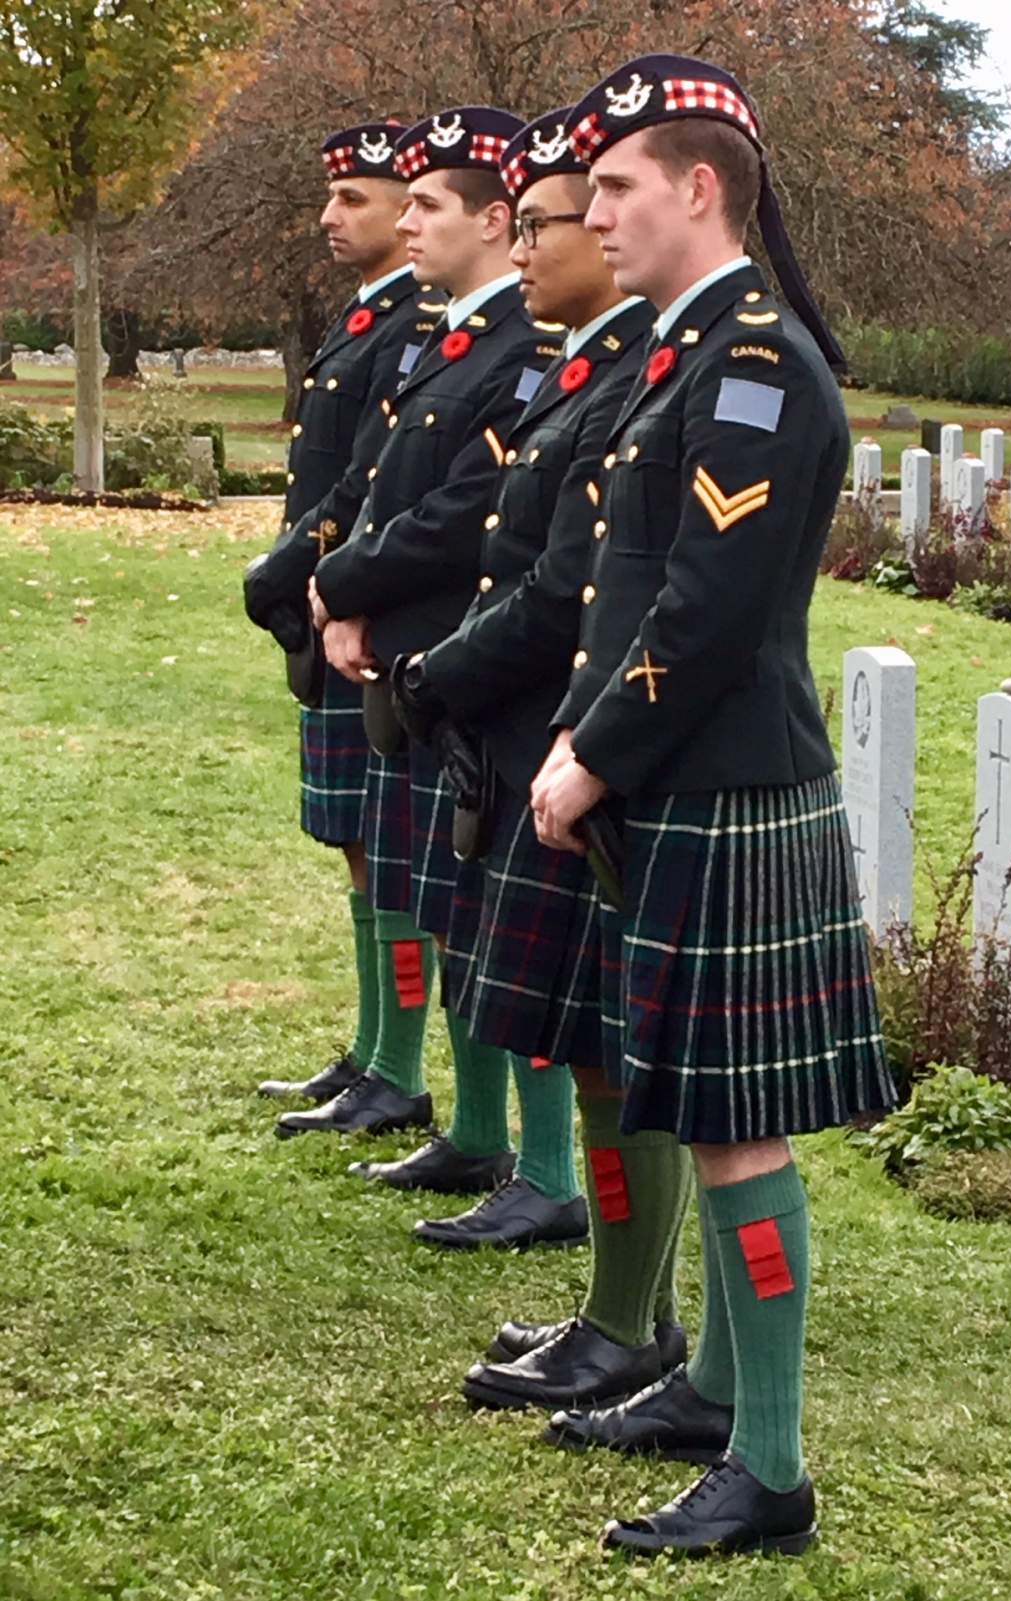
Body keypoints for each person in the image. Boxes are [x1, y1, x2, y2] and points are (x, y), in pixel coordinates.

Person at [527, 57, 897, 1558]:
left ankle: (774, 1470)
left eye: (615, 187)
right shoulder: (692, 355)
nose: (591, 212)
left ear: (700, 187)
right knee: (715, 1109)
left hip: (722, 780)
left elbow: (710, 609)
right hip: (691, 788)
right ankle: (721, 1412)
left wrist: (592, 752)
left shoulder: (755, 360)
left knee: (744, 1135)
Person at [392, 109, 667, 1272]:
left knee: (584, 1018)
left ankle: (568, 1212)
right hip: (518, 718)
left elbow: (567, 584)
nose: (525, 251)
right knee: (543, 996)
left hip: (561, 719)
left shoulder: (629, 377)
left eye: (544, 223)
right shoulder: (583, 370)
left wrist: (440, 671)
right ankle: (582, 1250)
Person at [280, 109, 563, 1179]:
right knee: (428, 895)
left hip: (455, 659)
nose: (406, 223)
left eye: (425, 203)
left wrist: (340, 576)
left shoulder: (522, 352)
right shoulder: (453, 337)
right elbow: (371, 479)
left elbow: (462, 511)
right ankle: (463, 1120)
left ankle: (520, 1157)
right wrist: (317, 581)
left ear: (492, 220)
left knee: (487, 919)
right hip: (403, 654)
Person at [245, 122, 443, 1114]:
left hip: (363, 604)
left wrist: (297, 569)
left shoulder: (416, 325)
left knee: (390, 846)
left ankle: (399, 1069)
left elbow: (370, 485)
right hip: (331, 603)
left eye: (353, 198)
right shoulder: (369, 317)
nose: (331, 216)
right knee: (360, 844)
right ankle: (374, 1054)